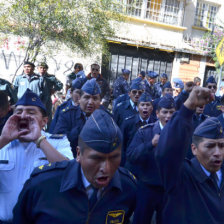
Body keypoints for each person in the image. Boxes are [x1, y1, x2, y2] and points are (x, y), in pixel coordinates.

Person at [13, 109, 137, 224]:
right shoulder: (42, 185)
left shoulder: (127, 187)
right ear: (78, 154)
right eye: (97, 158)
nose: (106, 168)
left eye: (114, 158)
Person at [0, 89, 73, 223]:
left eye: (31, 112)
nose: (23, 116)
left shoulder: (58, 142)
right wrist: (4, 140)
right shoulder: (2, 142)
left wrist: (39, 140)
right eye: (19, 111)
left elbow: (70, 173)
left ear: (44, 121)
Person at [155, 86, 224, 224]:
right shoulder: (181, 176)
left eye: (222, 146)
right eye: (210, 146)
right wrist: (187, 109)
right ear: (194, 149)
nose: (217, 153)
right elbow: (167, 152)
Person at [127, 94, 176, 224]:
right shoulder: (145, 132)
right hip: (147, 187)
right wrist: (150, 145)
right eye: (165, 112)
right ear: (157, 113)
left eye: (172, 112)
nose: (168, 116)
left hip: (168, 190)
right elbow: (131, 155)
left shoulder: (180, 134)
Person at [53, 78, 101, 155]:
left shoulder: (107, 118)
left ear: (100, 101)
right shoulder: (67, 115)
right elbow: (57, 140)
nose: (91, 102)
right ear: (79, 99)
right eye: (87, 97)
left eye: (95, 98)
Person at [120, 92, 155, 166]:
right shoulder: (128, 123)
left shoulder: (156, 123)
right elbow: (122, 146)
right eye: (142, 105)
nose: (145, 107)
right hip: (132, 163)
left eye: (148, 105)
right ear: (138, 107)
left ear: (152, 108)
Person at [37, 62, 63, 129]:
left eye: (44, 68)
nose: (42, 69)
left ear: (47, 69)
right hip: (37, 99)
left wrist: (54, 89)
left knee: (47, 115)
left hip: (47, 99)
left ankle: (49, 130)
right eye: (41, 68)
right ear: (38, 69)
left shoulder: (51, 77)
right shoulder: (35, 76)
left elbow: (60, 84)